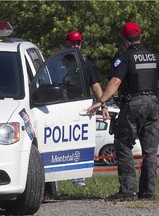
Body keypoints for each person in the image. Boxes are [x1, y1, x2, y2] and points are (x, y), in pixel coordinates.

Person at [87, 22, 159, 200]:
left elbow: (116, 81)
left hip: (134, 105)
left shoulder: (124, 58)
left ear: (125, 40)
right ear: (141, 37)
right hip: (153, 105)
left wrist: (101, 100)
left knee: (124, 145)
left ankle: (128, 190)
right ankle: (148, 192)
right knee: (150, 150)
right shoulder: (154, 57)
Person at [65, 30, 109, 186]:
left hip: (83, 109)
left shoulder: (86, 63)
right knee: (65, 143)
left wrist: (103, 105)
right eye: (73, 42)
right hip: (63, 108)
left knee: (81, 142)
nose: (76, 45)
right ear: (67, 43)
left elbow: (96, 85)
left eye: (78, 43)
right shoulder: (60, 63)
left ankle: (79, 177)